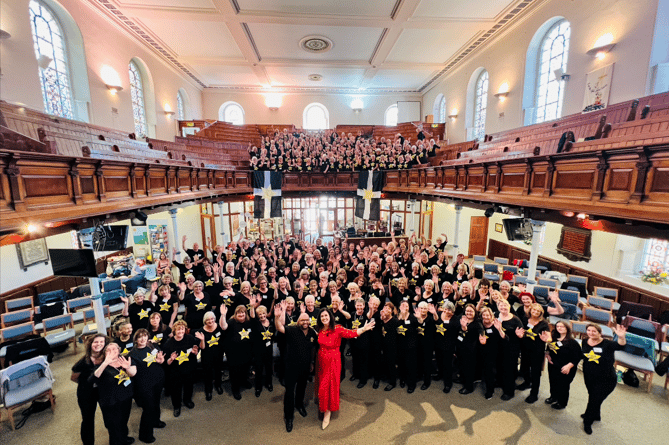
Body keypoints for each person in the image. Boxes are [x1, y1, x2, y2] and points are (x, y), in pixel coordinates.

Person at [315, 308, 375, 429]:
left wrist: (363, 329)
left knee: (329, 386)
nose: (324, 318)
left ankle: (328, 411)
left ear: (330, 316)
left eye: (326, 315)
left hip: (333, 361)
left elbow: (351, 333)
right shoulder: (320, 330)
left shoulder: (337, 328)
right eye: (322, 316)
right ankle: (324, 405)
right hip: (321, 361)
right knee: (321, 385)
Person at [274, 301, 318, 433]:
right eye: (302, 320)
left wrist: (311, 363)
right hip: (291, 367)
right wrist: (277, 317)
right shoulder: (292, 330)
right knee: (289, 392)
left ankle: (299, 405)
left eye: (307, 320)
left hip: (305, 367)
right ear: (298, 321)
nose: (305, 322)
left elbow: (313, 350)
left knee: (302, 388)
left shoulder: (312, 333)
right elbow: (279, 328)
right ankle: (289, 417)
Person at [581, 323, 627, 435]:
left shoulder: (607, 344)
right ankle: (596, 415)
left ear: (600, 333)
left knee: (594, 399)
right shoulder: (584, 341)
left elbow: (620, 346)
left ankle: (588, 421)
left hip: (606, 379)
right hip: (589, 376)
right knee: (593, 397)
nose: (591, 333)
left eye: (594, 331)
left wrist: (621, 337)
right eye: (589, 330)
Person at [93, 342, 137, 445]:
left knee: (123, 421)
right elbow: (95, 377)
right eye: (108, 350)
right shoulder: (100, 364)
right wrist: (105, 363)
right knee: (113, 426)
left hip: (126, 397)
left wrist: (127, 367)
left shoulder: (124, 359)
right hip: (110, 401)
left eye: (114, 349)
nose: (112, 351)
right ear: (104, 353)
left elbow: (132, 374)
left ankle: (123, 438)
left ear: (119, 350)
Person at [129, 329, 166, 444]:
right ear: (135, 339)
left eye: (145, 336)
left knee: (156, 403)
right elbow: (133, 372)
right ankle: (145, 434)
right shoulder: (132, 353)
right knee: (148, 408)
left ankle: (156, 421)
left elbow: (160, 359)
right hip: (144, 384)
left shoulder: (152, 346)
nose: (143, 339)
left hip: (157, 379)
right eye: (140, 337)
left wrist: (161, 360)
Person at [71, 334, 108, 445]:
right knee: (88, 420)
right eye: (96, 342)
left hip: (102, 392)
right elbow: (74, 378)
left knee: (109, 415)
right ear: (90, 344)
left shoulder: (106, 358)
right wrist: (88, 384)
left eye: (102, 342)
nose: (99, 344)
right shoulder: (82, 363)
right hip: (86, 393)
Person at [162, 320, 202, 417]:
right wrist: (171, 359)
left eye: (182, 329)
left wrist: (195, 352)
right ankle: (177, 406)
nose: (180, 332)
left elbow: (196, 351)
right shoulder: (168, 343)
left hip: (189, 369)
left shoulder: (190, 338)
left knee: (189, 386)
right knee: (176, 389)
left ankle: (187, 400)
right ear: (174, 330)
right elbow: (166, 362)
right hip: (175, 372)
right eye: (178, 330)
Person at [541, 320, 581, 410]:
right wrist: (547, 354)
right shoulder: (554, 338)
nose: (559, 328)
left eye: (562, 326)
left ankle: (562, 402)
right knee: (553, 382)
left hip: (565, 367)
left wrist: (569, 366)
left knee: (563, 385)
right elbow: (549, 348)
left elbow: (578, 357)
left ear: (567, 328)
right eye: (558, 326)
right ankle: (553, 397)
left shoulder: (572, 342)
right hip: (553, 365)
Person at [221, 304, 255, 400]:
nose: (241, 314)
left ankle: (244, 381)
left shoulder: (248, 322)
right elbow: (223, 327)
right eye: (239, 312)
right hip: (233, 353)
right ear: (235, 314)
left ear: (245, 313)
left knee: (245, 368)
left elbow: (253, 317)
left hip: (246, 351)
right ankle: (235, 389)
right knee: (235, 372)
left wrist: (252, 307)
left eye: (243, 312)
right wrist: (223, 315)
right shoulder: (231, 322)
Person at [197, 311, 225, 401]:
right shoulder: (201, 331)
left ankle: (218, 385)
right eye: (208, 320)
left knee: (218, 371)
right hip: (207, 355)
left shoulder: (219, 327)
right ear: (205, 321)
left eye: (212, 319)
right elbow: (202, 347)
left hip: (219, 354)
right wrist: (202, 340)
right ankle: (208, 390)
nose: (210, 321)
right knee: (208, 373)